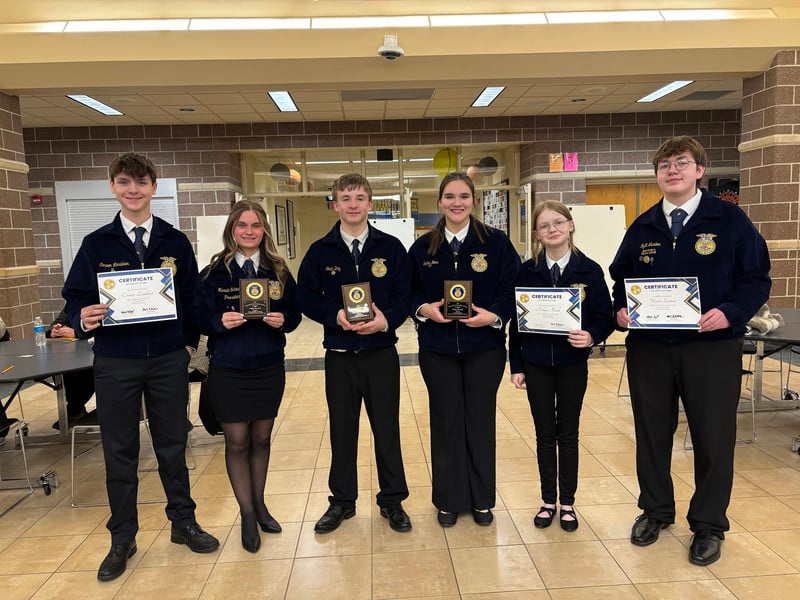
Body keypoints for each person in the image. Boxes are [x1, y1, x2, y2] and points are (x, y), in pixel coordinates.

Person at [609, 135, 771, 566]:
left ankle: (709, 524)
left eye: (681, 163)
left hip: (711, 348)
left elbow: (757, 278)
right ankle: (656, 510)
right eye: (664, 166)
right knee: (652, 434)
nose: (672, 171)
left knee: (714, 437)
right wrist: (620, 310)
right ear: (657, 175)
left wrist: (730, 313)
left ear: (700, 170)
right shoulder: (642, 226)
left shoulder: (731, 221)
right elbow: (620, 279)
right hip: (650, 350)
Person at [62, 152, 219, 582]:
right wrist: (83, 318)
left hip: (168, 360)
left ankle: (183, 523)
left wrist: (188, 345)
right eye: (125, 182)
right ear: (113, 186)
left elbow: (193, 300)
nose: (133, 190)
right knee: (121, 451)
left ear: (154, 187)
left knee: (173, 444)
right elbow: (73, 299)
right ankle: (122, 536)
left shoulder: (174, 241)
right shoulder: (96, 243)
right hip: (116, 361)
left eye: (141, 183)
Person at [296, 173, 412, 534]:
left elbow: (405, 295)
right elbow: (305, 296)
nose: (352, 204)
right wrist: (335, 315)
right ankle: (342, 503)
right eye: (345, 198)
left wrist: (386, 321)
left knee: (387, 430)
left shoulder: (391, 248)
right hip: (340, 355)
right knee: (342, 431)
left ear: (370, 203)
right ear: (335, 204)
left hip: (380, 353)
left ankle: (392, 501)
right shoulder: (320, 251)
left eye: (359, 197)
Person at [408, 172, 520, 527]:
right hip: (437, 349)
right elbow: (406, 293)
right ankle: (448, 499)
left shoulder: (497, 243)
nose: (457, 202)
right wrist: (424, 309)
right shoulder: (422, 248)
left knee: (480, 422)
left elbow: (513, 288)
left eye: (464, 196)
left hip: (484, 349)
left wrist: (494, 315)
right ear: (439, 201)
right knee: (445, 422)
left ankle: (481, 499)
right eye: (450, 196)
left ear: (473, 201)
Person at [192, 201, 301, 553]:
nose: (249, 231)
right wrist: (216, 324)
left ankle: (261, 503)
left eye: (256, 225)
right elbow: (197, 316)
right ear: (232, 230)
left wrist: (284, 320)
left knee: (263, 439)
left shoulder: (279, 271)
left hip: (268, 366)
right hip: (229, 368)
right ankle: (248, 513)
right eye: (242, 225)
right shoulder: (213, 274)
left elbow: (295, 312)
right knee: (237, 441)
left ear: (264, 230)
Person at [508, 200, 614, 532]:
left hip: (571, 364)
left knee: (568, 434)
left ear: (570, 225)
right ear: (537, 233)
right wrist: (516, 365)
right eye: (544, 225)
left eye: (558, 222)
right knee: (543, 435)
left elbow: (605, 318)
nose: (552, 229)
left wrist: (592, 336)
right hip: (537, 363)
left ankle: (567, 502)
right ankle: (547, 501)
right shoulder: (527, 271)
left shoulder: (590, 270)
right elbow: (516, 323)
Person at [46, 309, 97, 430]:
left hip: (97, 354)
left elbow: (103, 331)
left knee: (88, 373)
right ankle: (75, 410)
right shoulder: (73, 305)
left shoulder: (99, 305)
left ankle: (74, 410)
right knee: (60, 367)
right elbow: (59, 321)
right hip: (74, 354)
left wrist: (76, 332)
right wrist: (54, 331)